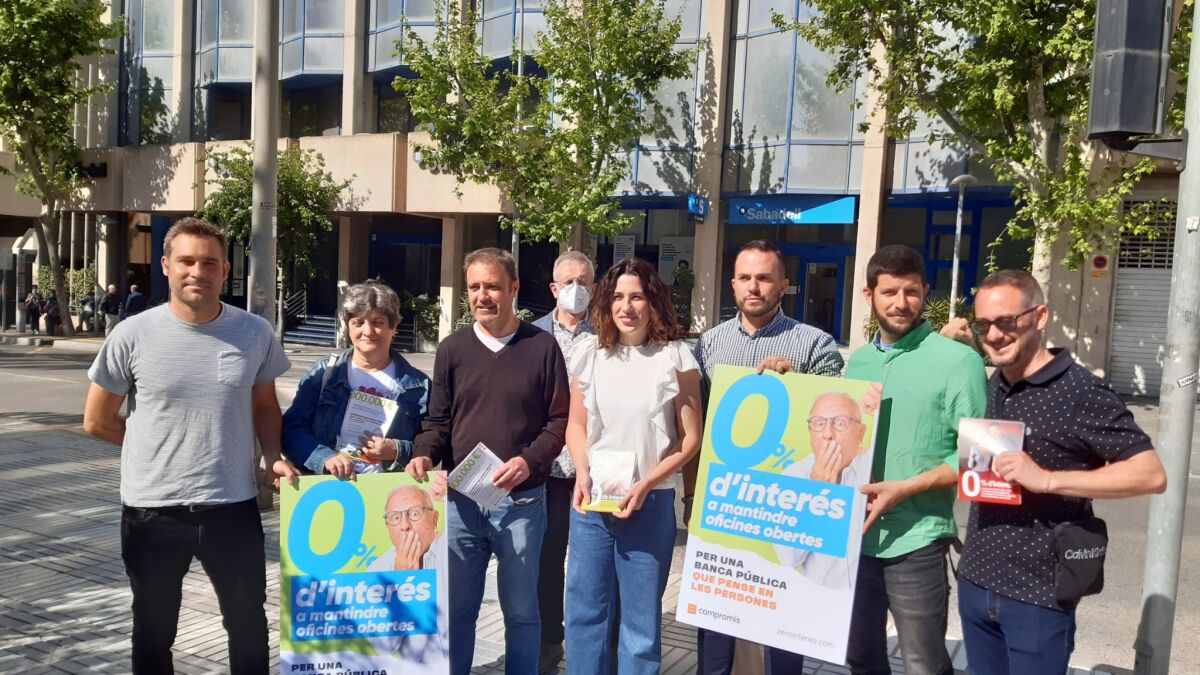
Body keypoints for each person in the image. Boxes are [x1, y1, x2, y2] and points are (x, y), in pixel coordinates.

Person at [82, 217, 299, 674]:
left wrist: (273, 457)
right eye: (186, 261)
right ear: (166, 265)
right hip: (152, 511)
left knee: (247, 624)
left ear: (225, 271)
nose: (197, 271)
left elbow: (265, 406)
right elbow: (96, 420)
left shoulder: (255, 333)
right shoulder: (131, 335)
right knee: (153, 630)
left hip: (233, 507)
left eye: (209, 263)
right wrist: (150, 447)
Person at [942, 270, 1166, 675]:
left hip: (1038, 598)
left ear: (1040, 316)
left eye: (1006, 322)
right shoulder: (994, 382)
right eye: (984, 325)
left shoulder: (1081, 391)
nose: (994, 335)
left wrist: (1048, 480)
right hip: (976, 583)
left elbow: (1150, 474)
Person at [406, 247, 570, 675]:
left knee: (522, 612)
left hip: (521, 503)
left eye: (493, 286)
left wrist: (528, 462)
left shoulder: (542, 347)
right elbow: (438, 420)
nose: (483, 296)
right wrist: (424, 453)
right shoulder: (452, 350)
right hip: (462, 502)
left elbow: (558, 422)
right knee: (458, 610)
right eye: (475, 287)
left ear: (514, 288)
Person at [690, 240, 844, 675]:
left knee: (783, 629)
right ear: (732, 284)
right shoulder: (709, 344)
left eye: (764, 278)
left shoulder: (814, 345)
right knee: (715, 627)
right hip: (727, 503)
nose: (753, 287)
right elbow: (698, 425)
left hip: (785, 507)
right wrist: (691, 496)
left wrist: (797, 386)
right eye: (745, 278)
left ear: (784, 285)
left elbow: (835, 421)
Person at [841, 244, 987, 675]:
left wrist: (906, 488)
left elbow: (984, 458)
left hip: (918, 541)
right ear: (869, 295)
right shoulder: (858, 362)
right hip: (855, 540)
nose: (900, 303)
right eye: (889, 292)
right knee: (861, 658)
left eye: (911, 291)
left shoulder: (959, 361)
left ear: (925, 292)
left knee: (924, 665)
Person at [563, 258, 703, 675]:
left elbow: (690, 439)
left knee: (640, 624)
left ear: (653, 302)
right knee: (585, 613)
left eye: (637, 297)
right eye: (618, 297)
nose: (627, 307)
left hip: (649, 503)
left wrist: (646, 483)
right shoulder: (590, 353)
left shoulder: (675, 357)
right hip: (592, 502)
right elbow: (576, 425)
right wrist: (582, 472)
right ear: (606, 303)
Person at [283, 280, 430, 477]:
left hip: (387, 490)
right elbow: (291, 429)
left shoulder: (419, 387)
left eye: (378, 322)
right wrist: (324, 457)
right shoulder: (324, 373)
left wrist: (397, 450)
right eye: (358, 323)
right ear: (348, 327)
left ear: (394, 326)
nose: (367, 332)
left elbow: (431, 443)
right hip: (330, 487)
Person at [531, 250, 596, 674]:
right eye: (568, 282)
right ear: (554, 288)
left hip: (595, 470)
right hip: (548, 470)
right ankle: (549, 643)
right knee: (548, 559)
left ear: (594, 286)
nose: (576, 289)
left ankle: (591, 646)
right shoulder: (531, 335)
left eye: (583, 281)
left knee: (591, 565)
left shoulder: (609, 332)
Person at [774, 391, 872, 589]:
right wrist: (817, 494)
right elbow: (789, 558)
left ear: (860, 433)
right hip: (820, 596)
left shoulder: (873, 467)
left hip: (869, 589)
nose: (828, 434)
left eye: (840, 423)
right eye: (819, 424)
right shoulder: (794, 475)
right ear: (810, 434)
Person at [367, 484, 449, 670]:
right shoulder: (378, 570)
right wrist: (402, 583)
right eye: (395, 518)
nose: (405, 526)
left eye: (414, 514)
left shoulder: (452, 550)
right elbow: (384, 646)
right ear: (388, 529)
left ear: (434, 519)